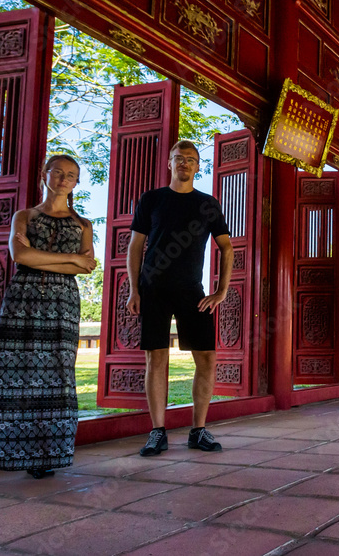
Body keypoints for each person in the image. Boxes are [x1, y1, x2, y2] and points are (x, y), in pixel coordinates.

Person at [0, 155, 96, 488]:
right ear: (44, 174)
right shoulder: (25, 216)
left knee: (53, 378)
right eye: (57, 172)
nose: (63, 178)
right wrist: (70, 258)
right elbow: (21, 256)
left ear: (77, 182)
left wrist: (53, 260)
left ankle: (41, 456)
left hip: (62, 304)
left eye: (71, 175)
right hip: (23, 299)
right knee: (4, 373)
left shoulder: (83, 224)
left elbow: (86, 267)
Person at [127, 139, 234, 456]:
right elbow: (135, 246)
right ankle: (157, 432)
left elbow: (226, 247)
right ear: (169, 163)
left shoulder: (207, 204)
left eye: (191, 159)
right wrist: (134, 288)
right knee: (156, 359)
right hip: (153, 288)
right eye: (178, 158)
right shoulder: (152, 199)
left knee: (207, 359)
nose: (184, 163)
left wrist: (221, 290)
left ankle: (198, 430)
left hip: (192, 291)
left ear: (198, 166)